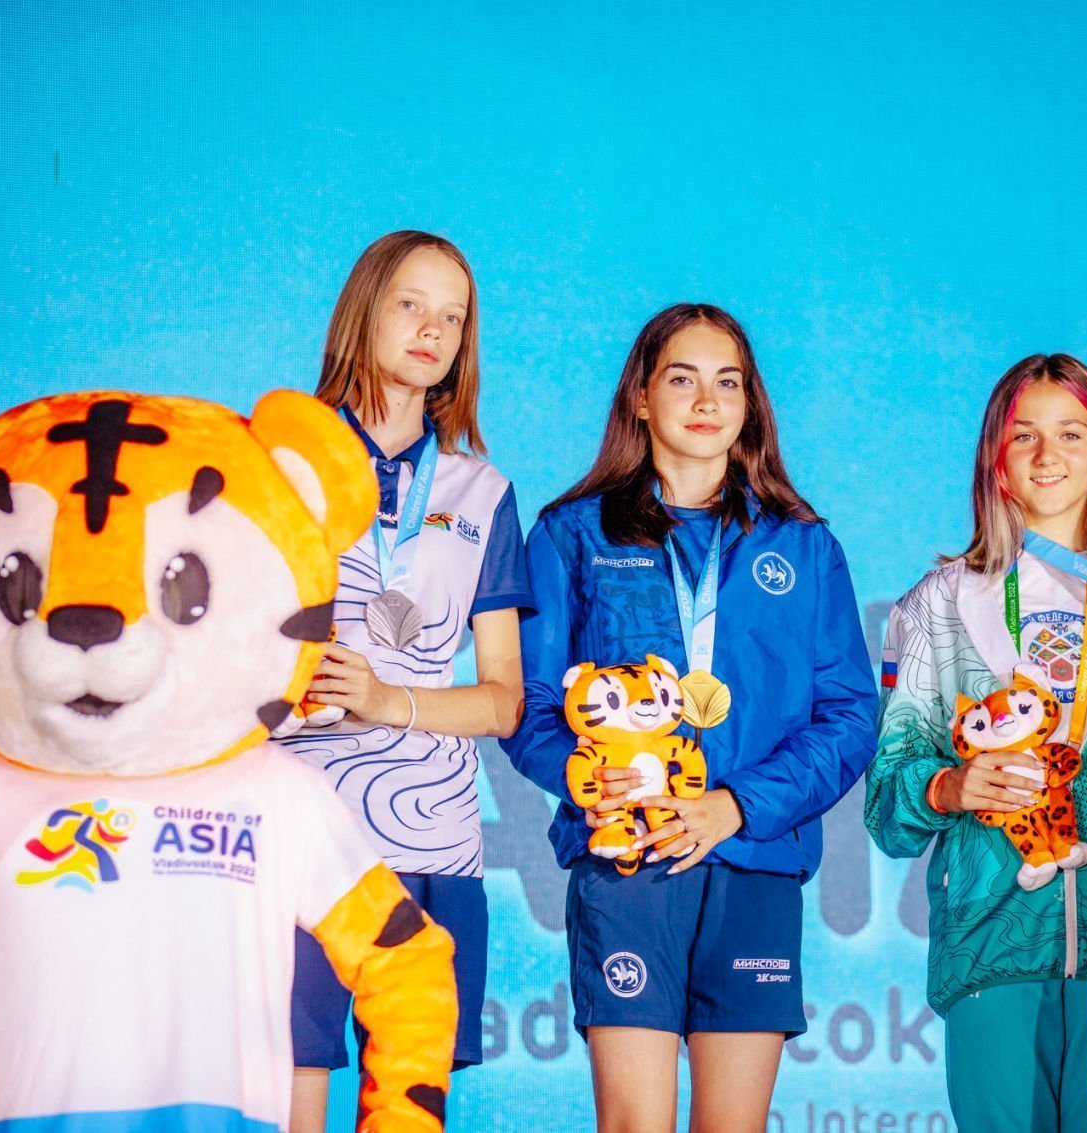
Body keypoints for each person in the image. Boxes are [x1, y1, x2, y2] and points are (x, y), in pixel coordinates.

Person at [503, 303, 877, 1132]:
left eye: (727, 382)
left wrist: (734, 805)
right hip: (626, 863)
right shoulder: (572, 534)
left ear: (750, 403)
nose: (707, 400)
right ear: (641, 396)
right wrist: (583, 776)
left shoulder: (804, 546)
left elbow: (850, 715)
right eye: (682, 378)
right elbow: (527, 705)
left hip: (753, 860)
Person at [865, 353, 1087, 1131]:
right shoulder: (937, 604)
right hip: (989, 946)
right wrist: (947, 787)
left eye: (1070, 432)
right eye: (1023, 433)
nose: (1046, 453)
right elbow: (887, 808)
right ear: (994, 456)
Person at [279, 230, 532, 1130]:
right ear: (364, 311)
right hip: (302, 829)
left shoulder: (482, 492)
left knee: (409, 1104)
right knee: (292, 1079)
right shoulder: (282, 468)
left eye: (453, 317)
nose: (432, 330)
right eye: (411, 304)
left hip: (435, 840)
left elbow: (505, 700)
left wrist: (389, 701)